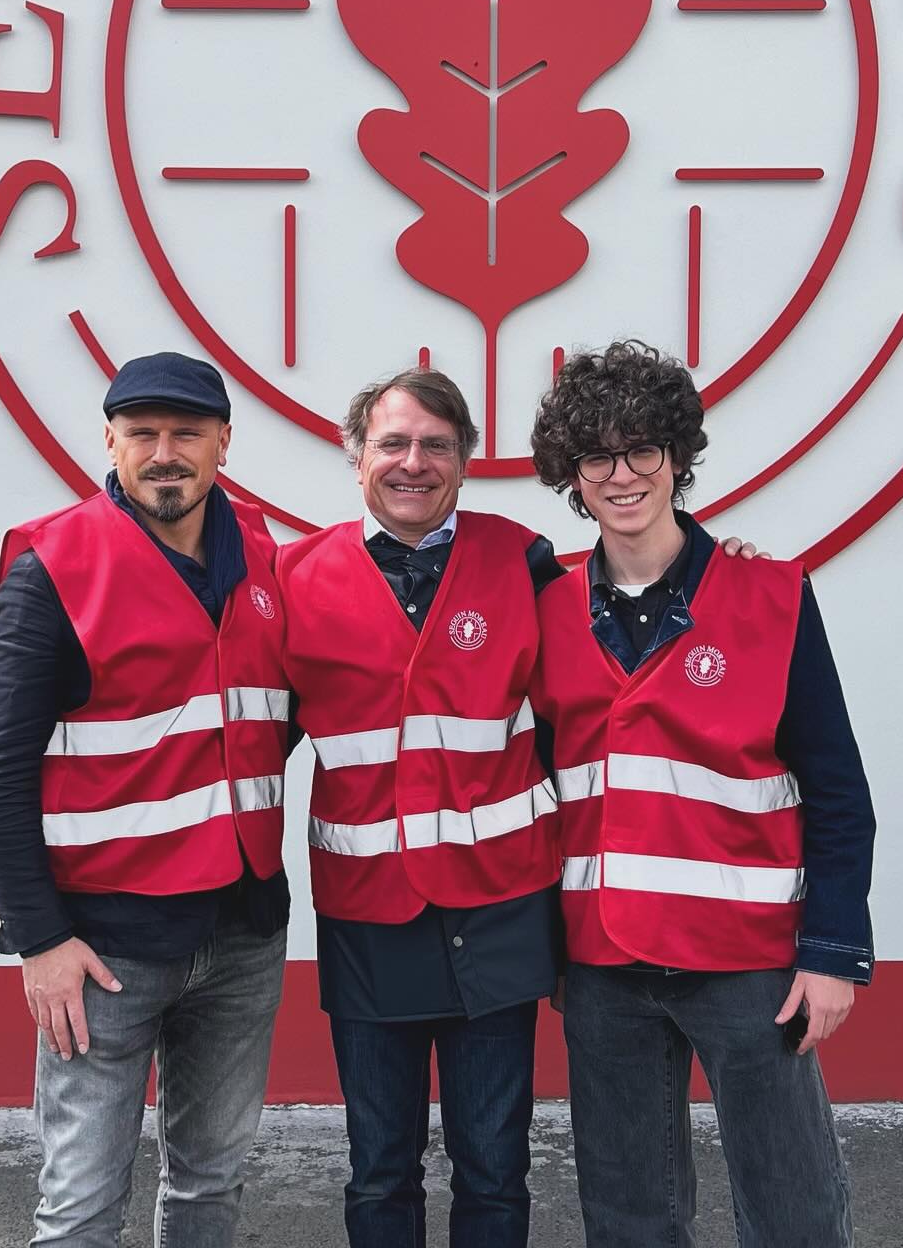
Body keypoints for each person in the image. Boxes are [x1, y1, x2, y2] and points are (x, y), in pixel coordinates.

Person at [529, 340, 875, 1248]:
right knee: (630, 1217)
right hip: (603, 966)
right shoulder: (545, 606)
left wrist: (834, 951)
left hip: (750, 964)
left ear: (677, 457)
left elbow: (838, 789)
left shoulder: (773, 595)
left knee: (794, 1209)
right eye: (597, 455)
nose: (622, 473)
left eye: (643, 448)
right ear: (573, 473)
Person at [0, 352, 292, 1246]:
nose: (163, 452)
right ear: (107, 440)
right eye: (141, 432)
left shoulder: (266, 557)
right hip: (102, 949)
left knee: (210, 1187)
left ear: (224, 442)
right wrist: (37, 940)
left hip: (243, 932)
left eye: (186, 432)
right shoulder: (51, 570)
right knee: (79, 1208)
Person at [272, 365, 562, 1247]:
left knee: (494, 1169)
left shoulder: (527, 560)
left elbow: (631, 615)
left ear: (466, 462)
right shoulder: (292, 576)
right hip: (369, 917)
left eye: (436, 445)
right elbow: (241, 731)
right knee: (379, 1171)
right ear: (356, 456)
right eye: (393, 443)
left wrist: (722, 552)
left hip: (502, 910)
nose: (414, 462)